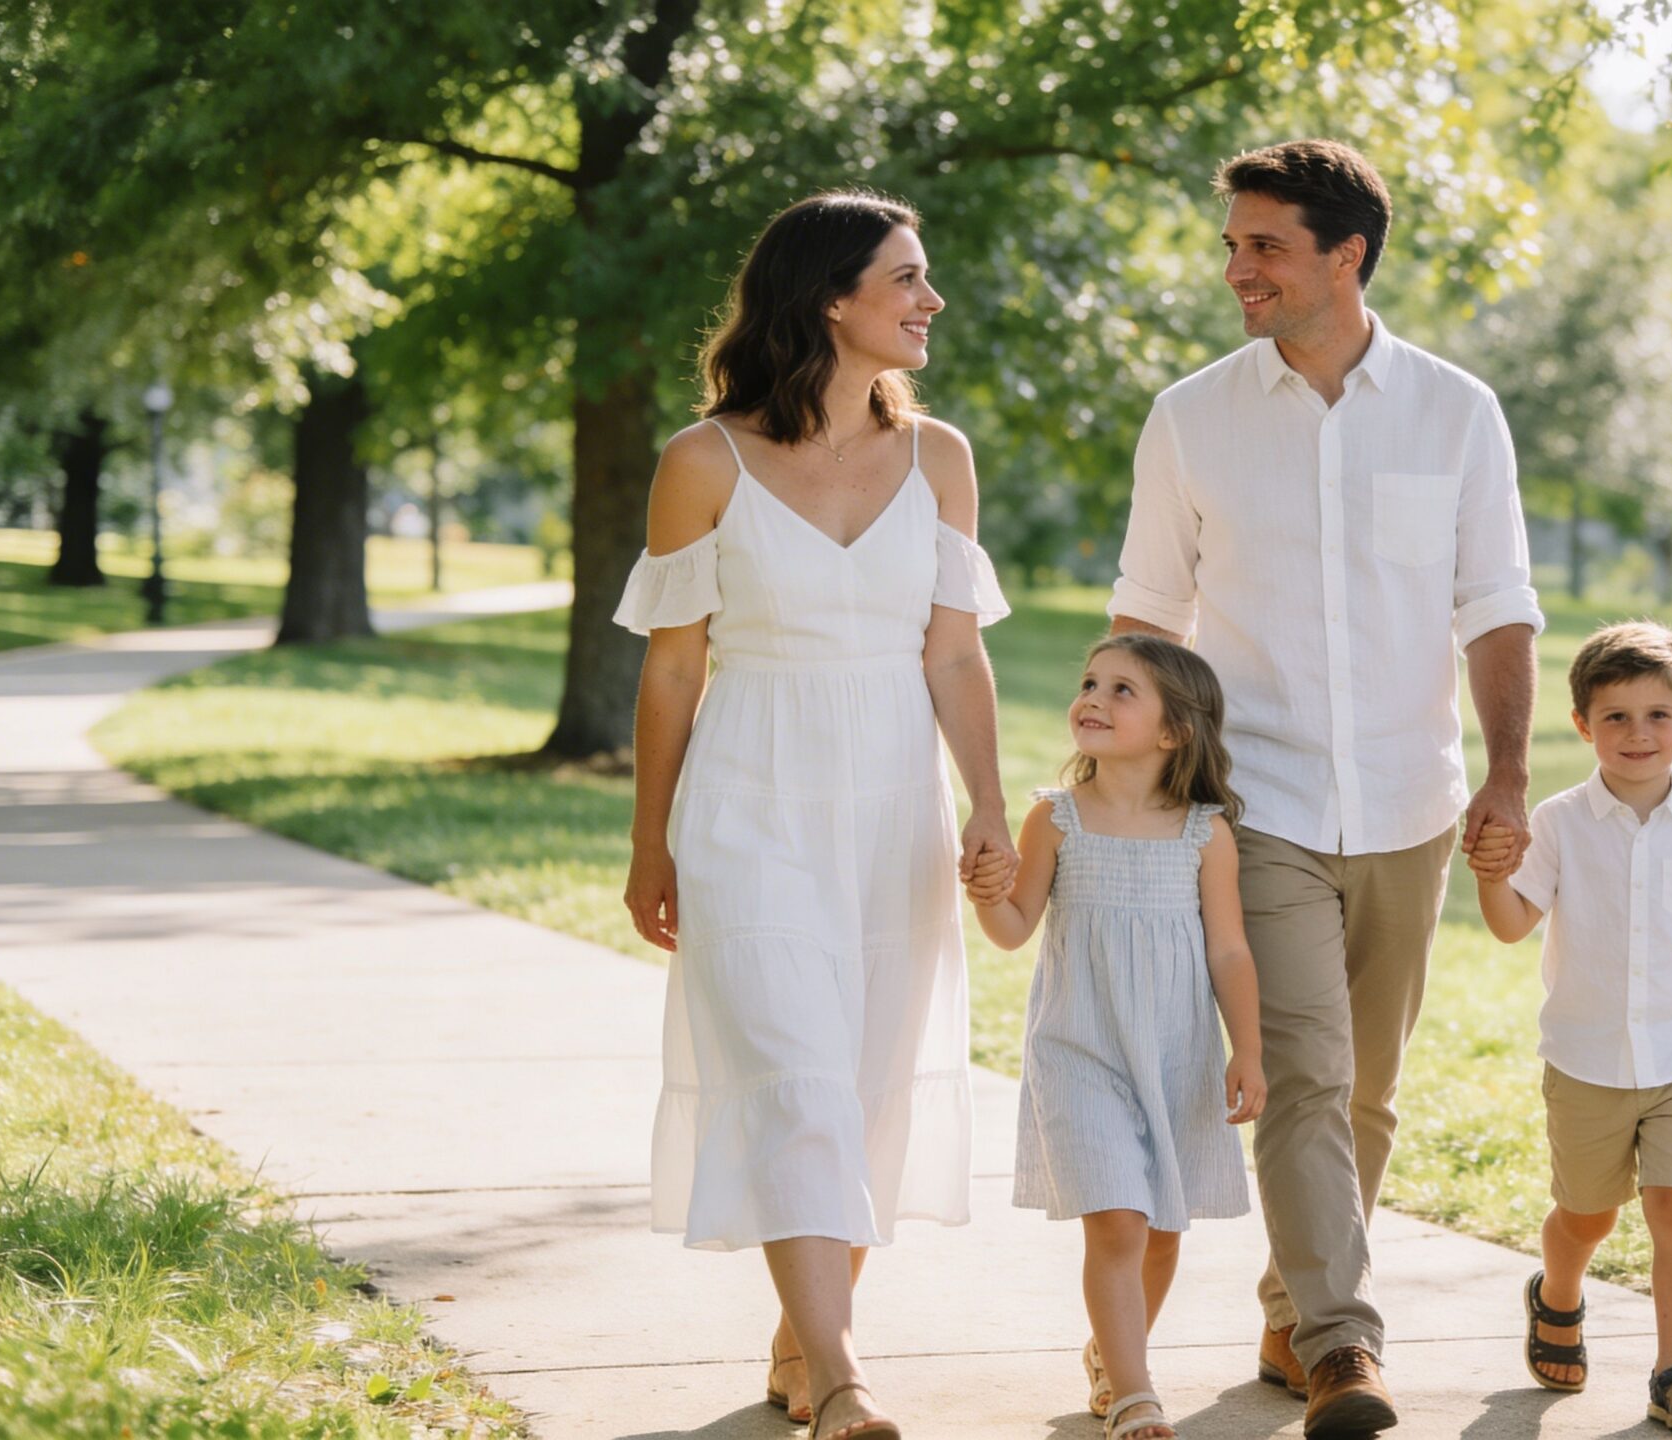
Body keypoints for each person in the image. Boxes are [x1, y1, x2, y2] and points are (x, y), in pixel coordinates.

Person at [1107, 138, 1545, 1436]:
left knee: (1367, 1094)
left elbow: (1498, 609)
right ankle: (1347, 1350)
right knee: (1299, 1073)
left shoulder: (1457, 412)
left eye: (1265, 246)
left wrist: (1509, 772)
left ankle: (1291, 1308)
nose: (1236, 267)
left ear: (1345, 255)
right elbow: (1147, 616)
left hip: (1413, 799)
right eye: (1234, 243)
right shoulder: (1192, 417)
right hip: (1257, 800)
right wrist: (1133, 787)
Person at [615, 188, 1016, 1440]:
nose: (929, 301)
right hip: (748, 797)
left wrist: (990, 811)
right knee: (792, 1077)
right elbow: (673, 668)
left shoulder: (939, 457)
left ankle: (806, 1337)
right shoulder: (702, 463)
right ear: (830, 298)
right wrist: (650, 842)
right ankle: (844, 1381)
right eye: (906, 279)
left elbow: (954, 656)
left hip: (894, 796)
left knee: (866, 1083)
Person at [963, 634, 1266, 1440]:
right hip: (1081, 1050)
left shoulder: (1205, 833)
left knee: (1165, 1230)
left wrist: (1250, 1050)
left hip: (1176, 1054)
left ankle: (1110, 1352)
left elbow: (1229, 949)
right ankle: (1136, 1393)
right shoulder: (1054, 819)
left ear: (1175, 733)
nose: (1093, 697)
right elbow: (1012, 928)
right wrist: (988, 893)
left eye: (1122, 690)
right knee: (1119, 1222)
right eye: (1090, 682)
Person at [1466, 621, 1672, 1435]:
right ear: (1582, 726)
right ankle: (1557, 1293)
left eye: (1658, 715)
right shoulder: (1558, 822)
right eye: (1616, 717)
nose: (1638, 734)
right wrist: (1492, 876)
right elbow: (1511, 924)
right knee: (1588, 1214)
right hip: (1588, 1059)